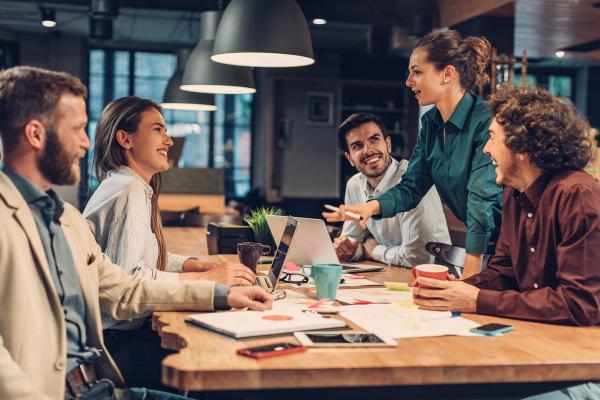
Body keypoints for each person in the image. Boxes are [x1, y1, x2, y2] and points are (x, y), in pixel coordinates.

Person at [0, 65, 272, 399]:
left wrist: (220, 293)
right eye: (77, 129)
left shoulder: (64, 218)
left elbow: (124, 290)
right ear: (36, 134)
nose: (86, 142)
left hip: (91, 382)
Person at [82, 96, 256, 390]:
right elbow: (132, 279)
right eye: (158, 130)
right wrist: (210, 280)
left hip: (115, 336)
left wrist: (195, 264)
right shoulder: (127, 191)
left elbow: (138, 257)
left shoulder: (126, 184)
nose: (169, 140)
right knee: (221, 364)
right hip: (115, 346)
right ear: (125, 139)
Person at [412, 85, 600, 328]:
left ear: (522, 146)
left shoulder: (577, 195)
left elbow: (581, 305)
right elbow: (504, 272)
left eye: (492, 138)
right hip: (541, 334)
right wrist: (460, 288)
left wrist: (477, 300)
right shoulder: (513, 192)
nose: (486, 149)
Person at [324, 30, 503, 277]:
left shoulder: (485, 121)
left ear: (447, 74)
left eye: (417, 72)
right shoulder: (430, 123)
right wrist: (371, 207)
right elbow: (412, 186)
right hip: (489, 248)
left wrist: (471, 273)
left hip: (512, 242)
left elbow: (481, 199)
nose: (409, 81)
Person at [334, 112, 450, 267]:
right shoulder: (354, 185)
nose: (368, 150)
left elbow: (418, 258)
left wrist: (374, 251)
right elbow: (353, 242)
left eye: (374, 139)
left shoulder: (414, 181)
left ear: (388, 144)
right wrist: (348, 248)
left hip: (436, 276)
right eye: (357, 146)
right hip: (391, 272)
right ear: (350, 158)